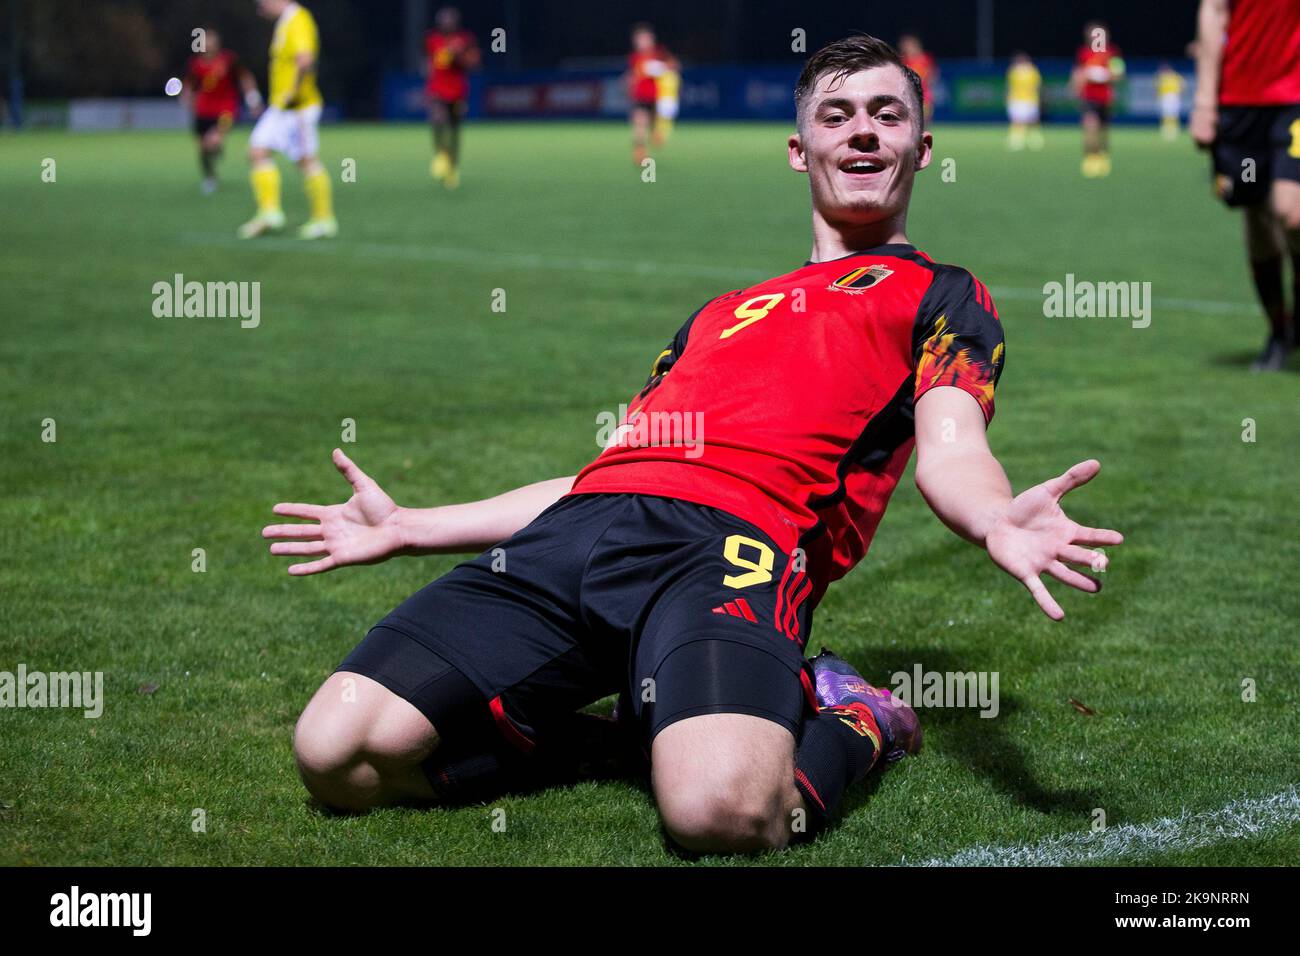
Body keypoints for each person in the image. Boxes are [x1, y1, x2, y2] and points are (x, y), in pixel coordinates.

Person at [269, 35, 1123, 854]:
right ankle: (625, 744)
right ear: (800, 150)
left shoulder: (941, 294)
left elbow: (950, 445)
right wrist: (411, 525)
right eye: (837, 115)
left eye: (886, 115)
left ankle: (859, 717)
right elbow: (600, 477)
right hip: (580, 536)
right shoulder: (715, 315)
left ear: (921, 147)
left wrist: (991, 519)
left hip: (733, 549)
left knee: (720, 813)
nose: (862, 129)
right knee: (338, 753)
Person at [1191, 0, 1300, 371]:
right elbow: (1214, 10)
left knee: (1291, 212)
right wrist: (1205, 102)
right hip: (1240, 102)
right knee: (1255, 214)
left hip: (1295, 99)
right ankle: (1279, 331)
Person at [238, 0, 337, 240]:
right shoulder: (285, 22)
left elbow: (305, 59)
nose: (260, 8)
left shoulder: (298, 18)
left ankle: (323, 220)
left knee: (305, 161)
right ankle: (270, 211)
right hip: (283, 107)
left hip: (296, 107)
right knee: (259, 151)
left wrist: (293, 91)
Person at [181, 26, 260, 193]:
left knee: (214, 140)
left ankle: (217, 145)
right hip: (202, 111)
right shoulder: (196, 64)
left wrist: (253, 100)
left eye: (211, 40)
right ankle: (210, 177)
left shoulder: (229, 60)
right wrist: (186, 96)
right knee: (203, 148)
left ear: (217, 43)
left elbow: (245, 78)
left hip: (226, 109)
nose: (208, 44)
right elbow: (189, 84)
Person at [425, 6, 480, 189]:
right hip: (437, 89)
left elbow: (474, 62)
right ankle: (441, 156)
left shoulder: (465, 39)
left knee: (455, 131)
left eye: (450, 20)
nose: (446, 23)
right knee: (437, 120)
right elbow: (427, 61)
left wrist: (459, 57)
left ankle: (453, 169)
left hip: (457, 91)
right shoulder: (432, 39)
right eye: (443, 20)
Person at [1072, 21, 1125, 178]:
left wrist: (1103, 75)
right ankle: (1090, 157)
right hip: (1089, 97)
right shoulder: (1083, 53)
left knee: (1103, 130)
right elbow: (1078, 73)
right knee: (1090, 125)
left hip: (1106, 98)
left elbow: (1119, 74)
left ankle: (1103, 155)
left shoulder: (1112, 53)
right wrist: (1077, 88)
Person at [625, 23, 678, 165]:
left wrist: (660, 68)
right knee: (639, 123)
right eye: (639, 39)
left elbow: (674, 66)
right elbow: (633, 76)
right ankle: (640, 153)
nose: (641, 42)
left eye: (644, 39)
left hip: (658, 98)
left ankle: (656, 136)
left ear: (651, 39)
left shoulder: (660, 53)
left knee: (655, 132)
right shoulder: (635, 57)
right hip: (641, 97)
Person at [1006, 51, 1044, 151]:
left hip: (1030, 100)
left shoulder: (1032, 71)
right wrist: (1008, 98)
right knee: (1017, 121)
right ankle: (1017, 140)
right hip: (1017, 100)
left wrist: (1039, 98)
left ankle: (1034, 139)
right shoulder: (1013, 72)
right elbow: (1010, 86)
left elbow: (1037, 86)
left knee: (1032, 121)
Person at [899, 34, 937, 127]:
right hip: (908, 96)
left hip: (924, 96)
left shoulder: (925, 59)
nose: (906, 48)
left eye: (908, 45)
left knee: (924, 122)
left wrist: (926, 81)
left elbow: (933, 74)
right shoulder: (903, 60)